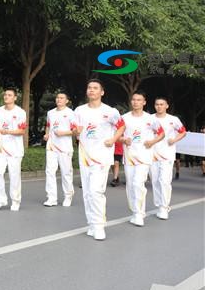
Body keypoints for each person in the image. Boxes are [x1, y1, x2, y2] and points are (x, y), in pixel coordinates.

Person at [72, 79, 125, 241]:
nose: (91, 90)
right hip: (85, 155)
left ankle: (100, 225)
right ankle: (91, 224)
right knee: (88, 192)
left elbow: (122, 126)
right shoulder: (79, 110)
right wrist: (75, 131)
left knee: (96, 191)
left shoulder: (110, 111)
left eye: (95, 88)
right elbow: (75, 129)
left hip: (102, 156)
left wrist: (114, 139)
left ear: (102, 92)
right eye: (89, 88)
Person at [121, 91, 164, 227]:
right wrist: (123, 139)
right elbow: (117, 134)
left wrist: (152, 142)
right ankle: (135, 212)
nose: (136, 102)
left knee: (138, 183)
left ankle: (139, 214)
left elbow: (161, 134)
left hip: (144, 156)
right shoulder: (124, 118)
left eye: (139, 100)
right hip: (129, 156)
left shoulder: (150, 119)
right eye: (134, 100)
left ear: (144, 102)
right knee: (130, 185)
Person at [0, 88, 27, 212]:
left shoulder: (21, 112)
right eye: (5, 94)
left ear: (15, 98)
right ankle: (1, 199)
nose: (6, 97)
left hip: (15, 150)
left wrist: (8, 131)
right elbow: (0, 127)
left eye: (9, 95)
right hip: (1, 148)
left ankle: (15, 200)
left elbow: (22, 131)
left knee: (14, 175)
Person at [150, 96, 187, 220]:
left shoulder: (173, 119)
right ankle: (159, 204)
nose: (159, 106)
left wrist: (174, 140)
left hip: (167, 154)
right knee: (155, 181)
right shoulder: (150, 119)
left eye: (162, 104)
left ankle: (164, 207)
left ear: (167, 106)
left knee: (164, 181)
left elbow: (183, 131)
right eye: (157, 104)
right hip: (153, 154)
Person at [42, 92, 76, 207]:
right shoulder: (50, 113)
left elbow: (76, 131)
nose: (58, 99)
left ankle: (68, 196)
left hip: (64, 147)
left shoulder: (71, 113)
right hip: (51, 146)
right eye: (57, 97)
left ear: (67, 101)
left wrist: (63, 133)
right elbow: (48, 126)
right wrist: (46, 134)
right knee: (50, 172)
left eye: (62, 98)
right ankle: (51, 198)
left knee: (66, 172)